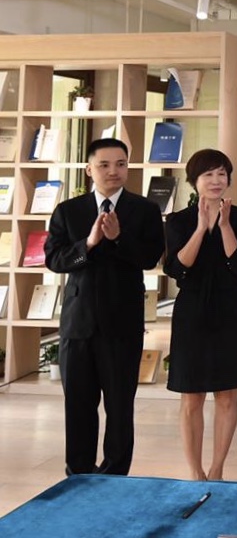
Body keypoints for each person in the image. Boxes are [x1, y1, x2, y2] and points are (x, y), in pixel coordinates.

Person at [43, 138, 166, 476]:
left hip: (122, 324)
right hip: (78, 323)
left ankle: (114, 475)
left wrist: (118, 238)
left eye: (121, 164)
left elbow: (149, 257)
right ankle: (79, 474)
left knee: (120, 406)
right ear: (89, 169)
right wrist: (89, 243)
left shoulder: (145, 210)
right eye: (105, 165)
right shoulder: (69, 210)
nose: (114, 171)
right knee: (78, 406)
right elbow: (54, 260)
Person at [164, 149, 237, 481]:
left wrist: (224, 225)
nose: (216, 181)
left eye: (221, 174)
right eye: (208, 175)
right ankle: (194, 471)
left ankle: (217, 469)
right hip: (192, 310)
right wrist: (201, 229)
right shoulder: (178, 220)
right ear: (194, 181)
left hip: (230, 308)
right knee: (192, 395)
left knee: (227, 394)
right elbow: (176, 268)